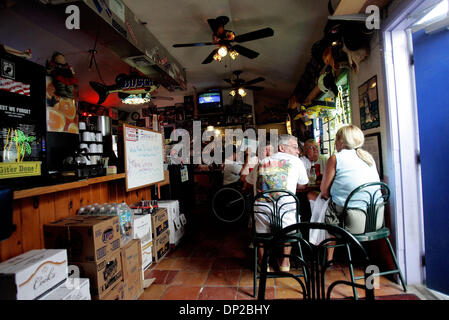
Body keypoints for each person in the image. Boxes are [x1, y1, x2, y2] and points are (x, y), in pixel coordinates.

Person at [309, 124, 380, 259]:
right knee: (332, 205)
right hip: (375, 216)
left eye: (336, 139)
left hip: (351, 218)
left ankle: (325, 255)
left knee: (324, 205)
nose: (335, 143)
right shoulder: (368, 157)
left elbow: (324, 191)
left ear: (341, 141)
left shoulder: (336, 158)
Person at [245, 134, 308, 271]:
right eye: (295, 147)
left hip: (262, 218)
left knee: (259, 223)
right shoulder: (296, 162)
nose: (298, 151)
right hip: (286, 219)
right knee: (290, 214)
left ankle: (262, 263)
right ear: (281, 148)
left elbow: (248, 182)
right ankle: (284, 263)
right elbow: (303, 185)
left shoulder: (260, 163)